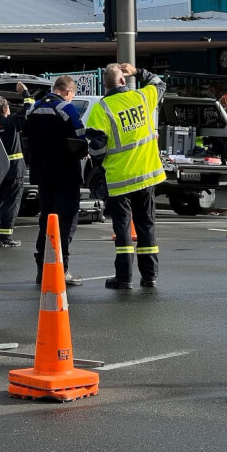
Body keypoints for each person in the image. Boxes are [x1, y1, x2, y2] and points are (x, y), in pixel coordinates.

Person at [86, 62, 166, 289]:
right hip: (146, 175)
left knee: (122, 230)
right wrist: (139, 71)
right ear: (123, 80)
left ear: (105, 84)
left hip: (119, 179)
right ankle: (149, 276)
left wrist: (100, 165)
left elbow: (96, 147)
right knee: (146, 225)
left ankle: (124, 278)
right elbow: (159, 83)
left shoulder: (102, 108)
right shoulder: (142, 97)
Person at [23, 76, 86, 287]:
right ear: (68, 91)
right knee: (66, 222)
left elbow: (25, 138)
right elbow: (80, 139)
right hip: (66, 174)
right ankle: (62, 268)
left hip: (42, 175)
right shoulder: (67, 109)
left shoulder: (34, 109)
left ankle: (42, 268)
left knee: (46, 221)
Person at [0, 92, 31, 248]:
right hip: (14, 170)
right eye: (8, 106)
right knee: (11, 204)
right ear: (4, 109)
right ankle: (5, 237)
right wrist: (25, 93)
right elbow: (28, 109)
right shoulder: (11, 122)